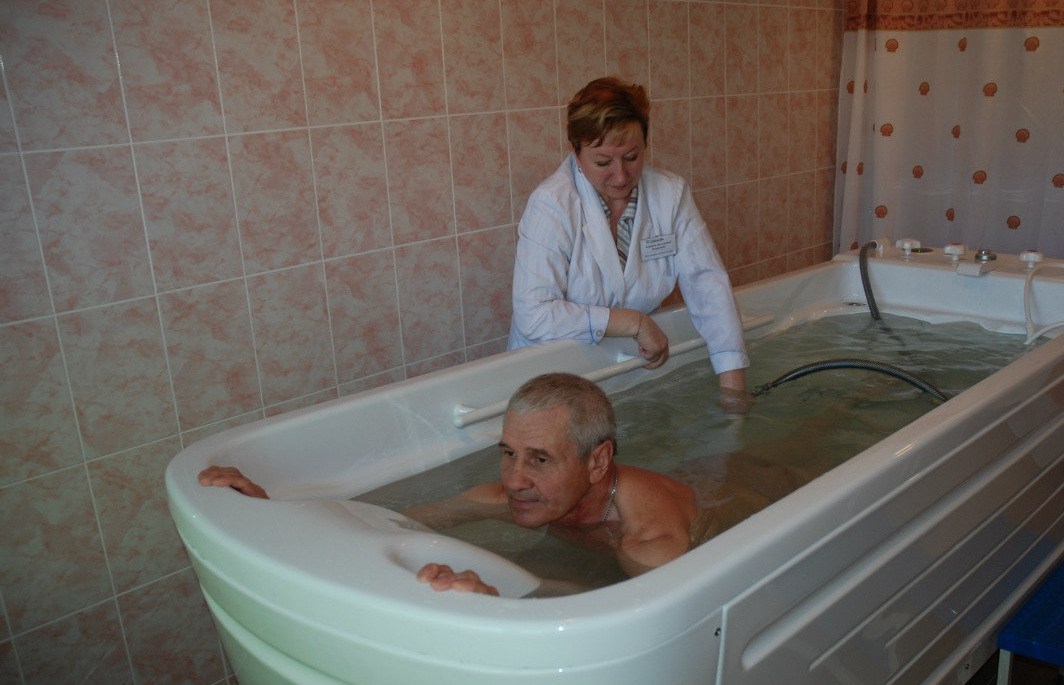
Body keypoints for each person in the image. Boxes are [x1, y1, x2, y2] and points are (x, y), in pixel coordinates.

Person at [198, 373, 699, 597]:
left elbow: (637, 627)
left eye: (540, 459)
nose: (514, 480)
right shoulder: (515, 497)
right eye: (507, 453)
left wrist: (500, 598)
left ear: (598, 462)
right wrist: (273, 513)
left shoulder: (649, 542)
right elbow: (393, 525)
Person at [508, 77, 751, 410]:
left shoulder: (670, 194)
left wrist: (733, 390)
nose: (621, 176)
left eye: (632, 157)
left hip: (632, 374)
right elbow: (533, 315)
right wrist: (633, 322)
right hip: (552, 383)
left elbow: (707, 284)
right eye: (603, 162)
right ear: (576, 152)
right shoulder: (551, 204)